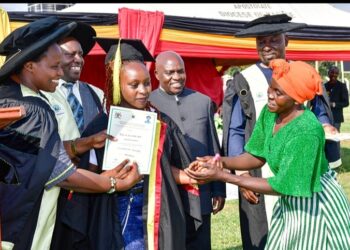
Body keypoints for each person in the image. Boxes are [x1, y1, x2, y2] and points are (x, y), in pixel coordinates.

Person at [0, 17, 141, 250]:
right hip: (26, 225)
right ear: (29, 65)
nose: (59, 72)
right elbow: (61, 174)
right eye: (54, 66)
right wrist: (114, 183)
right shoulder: (37, 108)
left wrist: (80, 144)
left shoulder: (9, 95)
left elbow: (32, 153)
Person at [186, 59, 350, 250]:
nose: (270, 95)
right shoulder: (271, 113)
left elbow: (283, 185)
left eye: (278, 93)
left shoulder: (307, 131)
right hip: (291, 198)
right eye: (271, 88)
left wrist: (222, 176)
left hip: (316, 203)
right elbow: (256, 155)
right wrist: (220, 161)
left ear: (297, 99)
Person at [56, 37, 197, 250]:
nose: (143, 90)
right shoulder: (102, 125)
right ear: (116, 83)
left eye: (147, 83)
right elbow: (89, 173)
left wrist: (192, 175)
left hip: (158, 207)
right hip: (114, 208)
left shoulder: (161, 122)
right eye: (134, 85)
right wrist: (109, 179)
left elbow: (165, 170)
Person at [221, 13, 341, 249]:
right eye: (261, 41)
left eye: (274, 39)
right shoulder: (243, 80)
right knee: (263, 235)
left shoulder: (302, 74)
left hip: (301, 169)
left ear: (286, 41)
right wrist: (240, 175)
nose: (267, 46)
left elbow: (318, 110)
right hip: (257, 169)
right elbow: (235, 129)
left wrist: (325, 123)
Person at [149, 50, 226, 250]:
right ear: (156, 74)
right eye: (170, 72)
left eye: (180, 71)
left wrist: (218, 189)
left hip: (201, 190)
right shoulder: (148, 104)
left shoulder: (203, 102)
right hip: (167, 192)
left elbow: (214, 147)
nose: (176, 77)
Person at [325, 65, 349, 131]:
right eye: (332, 72)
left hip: (336, 118)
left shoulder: (342, 86)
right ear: (328, 73)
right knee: (326, 138)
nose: (334, 75)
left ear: (338, 74)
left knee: (335, 138)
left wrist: (334, 104)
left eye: (336, 73)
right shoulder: (324, 86)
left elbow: (346, 103)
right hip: (325, 117)